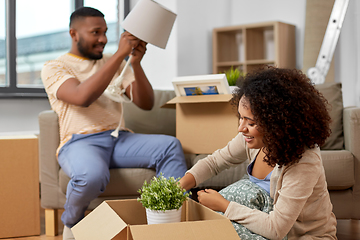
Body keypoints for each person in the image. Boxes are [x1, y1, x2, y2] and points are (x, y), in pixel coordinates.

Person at [41, 7, 187, 240]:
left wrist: (135, 64)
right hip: (80, 142)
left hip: (119, 138)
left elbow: (145, 102)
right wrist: (120, 55)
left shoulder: (114, 62)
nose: (103, 39)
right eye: (95, 32)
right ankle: (72, 223)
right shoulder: (55, 67)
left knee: (169, 146)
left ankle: (164, 222)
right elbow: (81, 97)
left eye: (105, 32)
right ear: (74, 34)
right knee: (91, 176)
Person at [179, 67, 337, 239]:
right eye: (240, 117)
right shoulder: (252, 139)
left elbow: (276, 229)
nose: (241, 128)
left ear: (276, 124)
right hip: (267, 224)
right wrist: (180, 185)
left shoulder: (303, 161)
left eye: (251, 122)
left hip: (300, 236)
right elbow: (215, 162)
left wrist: (224, 205)